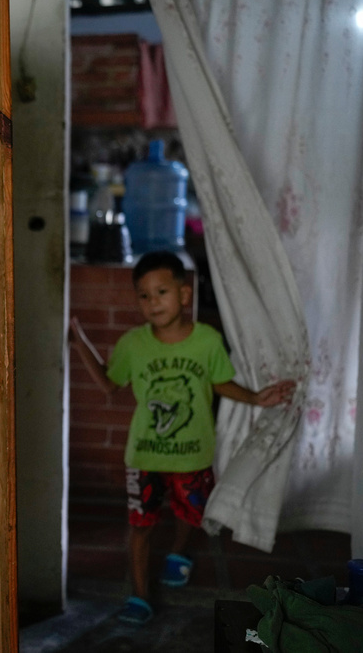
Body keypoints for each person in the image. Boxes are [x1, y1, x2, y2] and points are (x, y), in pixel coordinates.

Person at [68, 250, 295, 626]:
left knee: (189, 513)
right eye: (144, 295)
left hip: (193, 455)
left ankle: (178, 552)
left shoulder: (207, 340)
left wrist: (256, 398)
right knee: (140, 525)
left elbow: (219, 382)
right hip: (144, 456)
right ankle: (139, 595)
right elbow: (109, 383)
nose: (153, 302)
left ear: (184, 294)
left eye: (162, 292)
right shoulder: (133, 344)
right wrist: (80, 344)